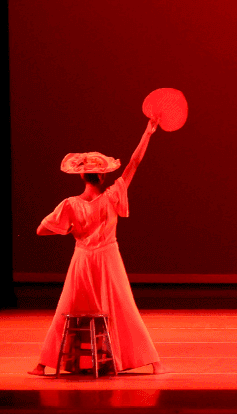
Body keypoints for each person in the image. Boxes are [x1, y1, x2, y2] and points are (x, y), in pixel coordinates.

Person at [29, 120, 166, 375]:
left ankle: (41, 365)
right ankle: (154, 363)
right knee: (122, 307)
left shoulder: (70, 204)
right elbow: (134, 164)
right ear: (102, 175)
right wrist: (147, 133)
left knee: (68, 309)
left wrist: (68, 230)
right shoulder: (112, 196)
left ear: (82, 175)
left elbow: (41, 229)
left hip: (82, 260)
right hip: (108, 259)